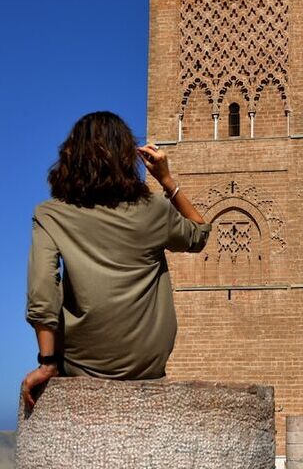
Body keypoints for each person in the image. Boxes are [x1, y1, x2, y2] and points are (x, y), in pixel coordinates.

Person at [22, 111, 211, 408]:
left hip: (81, 362)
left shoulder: (51, 213)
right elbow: (200, 233)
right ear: (127, 156)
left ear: (70, 156)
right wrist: (166, 180)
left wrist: (47, 362)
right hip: (147, 363)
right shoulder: (155, 210)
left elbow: (42, 288)